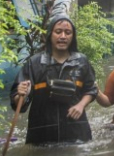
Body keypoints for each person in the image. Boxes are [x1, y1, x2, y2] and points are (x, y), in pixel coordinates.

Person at [10, 14, 98, 144]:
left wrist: (81, 105)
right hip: (42, 135)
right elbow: (18, 103)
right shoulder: (34, 63)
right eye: (58, 32)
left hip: (76, 132)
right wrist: (22, 93)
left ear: (72, 37)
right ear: (50, 35)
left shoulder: (82, 61)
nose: (63, 36)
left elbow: (91, 90)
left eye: (67, 32)